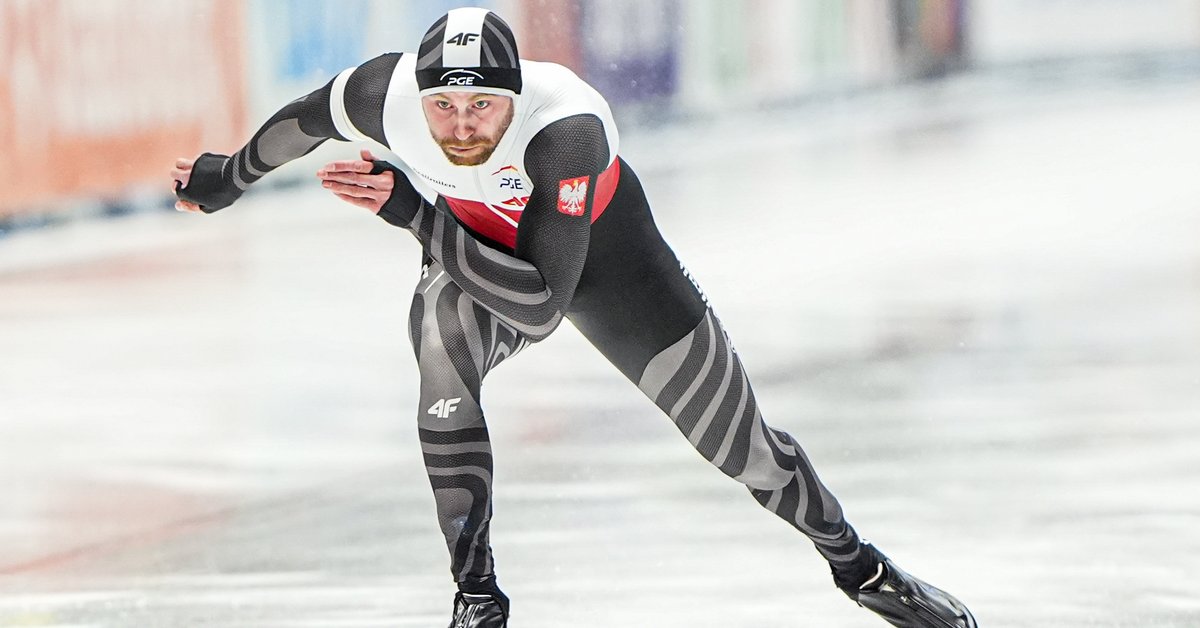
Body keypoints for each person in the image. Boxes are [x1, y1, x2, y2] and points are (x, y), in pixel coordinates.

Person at [171, 7, 977, 628]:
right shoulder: (385, 95)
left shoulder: (566, 131)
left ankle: (862, 569)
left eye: (481, 110)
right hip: (471, 253)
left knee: (747, 453)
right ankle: (477, 596)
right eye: (444, 112)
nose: (459, 130)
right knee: (440, 352)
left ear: (513, 100)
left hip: (606, 266)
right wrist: (228, 175)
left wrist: (418, 214)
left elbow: (541, 303)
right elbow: (304, 122)